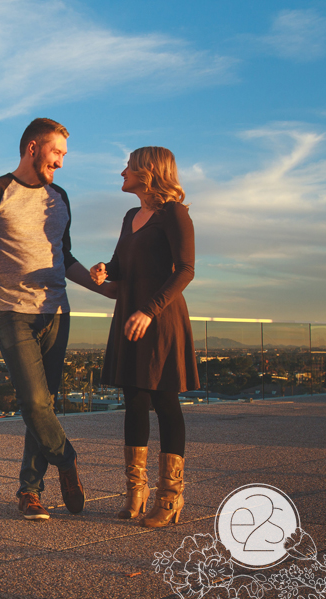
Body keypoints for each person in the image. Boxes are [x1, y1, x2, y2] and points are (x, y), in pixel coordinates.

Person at [0, 118, 116, 520]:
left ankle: (29, 492)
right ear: (33, 147)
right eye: (57, 152)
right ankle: (67, 461)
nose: (62, 162)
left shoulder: (60, 196)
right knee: (34, 402)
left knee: (46, 406)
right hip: (11, 313)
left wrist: (96, 282)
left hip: (57, 312)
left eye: (64, 155)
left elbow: (63, 256)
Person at [89, 146, 199, 528]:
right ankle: (136, 493)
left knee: (165, 403)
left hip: (159, 317)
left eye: (129, 167)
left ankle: (170, 497)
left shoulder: (174, 214)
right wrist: (106, 268)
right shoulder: (130, 216)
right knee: (133, 400)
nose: (122, 172)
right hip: (130, 314)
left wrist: (150, 310)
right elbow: (121, 265)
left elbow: (185, 270)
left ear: (147, 171)